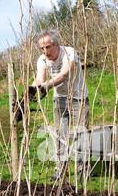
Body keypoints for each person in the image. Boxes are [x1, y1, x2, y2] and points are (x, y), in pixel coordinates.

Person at [33, 30, 89, 180]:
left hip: (79, 98)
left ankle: (82, 170)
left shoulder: (69, 53)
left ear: (56, 44)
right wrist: (33, 89)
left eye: (48, 47)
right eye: (42, 48)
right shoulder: (42, 60)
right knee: (60, 136)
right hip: (60, 100)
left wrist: (47, 86)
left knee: (81, 133)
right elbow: (40, 78)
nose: (45, 51)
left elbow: (64, 74)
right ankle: (60, 169)